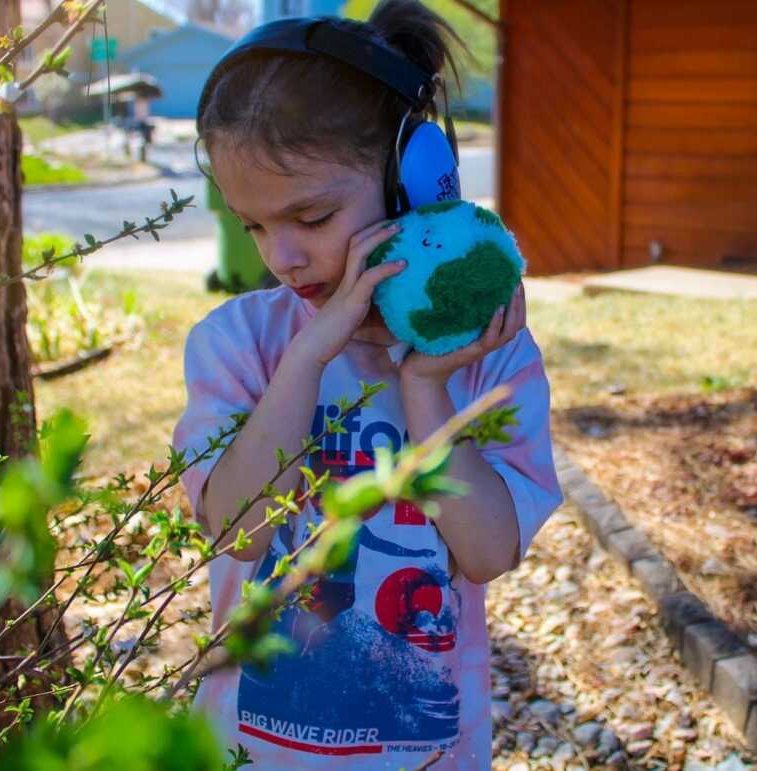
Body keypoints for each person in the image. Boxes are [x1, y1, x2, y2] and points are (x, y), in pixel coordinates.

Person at [172, 0, 564, 767]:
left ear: (415, 182)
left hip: (425, 750)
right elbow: (240, 530)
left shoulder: (489, 356)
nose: (281, 256)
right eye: (252, 225)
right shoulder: (236, 346)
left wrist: (425, 389)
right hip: (249, 745)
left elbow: (485, 550)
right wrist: (310, 355)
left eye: (311, 217)